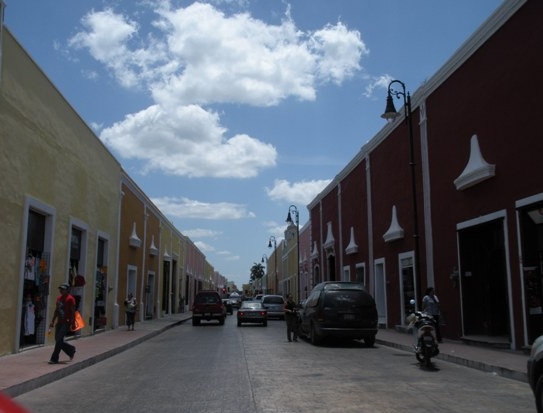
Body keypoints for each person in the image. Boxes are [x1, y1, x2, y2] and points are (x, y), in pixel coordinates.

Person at [48, 283, 76, 364]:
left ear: (67, 290)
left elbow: (73, 312)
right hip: (59, 322)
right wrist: (53, 320)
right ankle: (71, 350)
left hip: (66, 322)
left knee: (59, 339)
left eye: (63, 289)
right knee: (57, 339)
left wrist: (73, 323)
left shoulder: (71, 299)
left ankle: (54, 358)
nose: (61, 290)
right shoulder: (59, 298)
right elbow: (57, 310)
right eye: (60, 289)